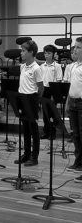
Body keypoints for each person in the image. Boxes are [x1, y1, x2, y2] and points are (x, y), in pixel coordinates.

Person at [14, 40, 43, 167]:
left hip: (31, 99)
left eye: (24, 51)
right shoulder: (22, 66)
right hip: (22, 98)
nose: (21, 53)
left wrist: (35, 100)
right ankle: (26, 153)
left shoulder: (36, 68)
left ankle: (34, 156)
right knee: (25, 128)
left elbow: (41, 87)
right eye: (21, 50)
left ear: (31, 52)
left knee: (33, 129)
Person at [66, 37, 82, 182]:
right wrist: (67, 102)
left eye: (78, 47)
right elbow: (71, 86)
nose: (74, 49)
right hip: (72, 103)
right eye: (75, 47)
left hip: (81, 104)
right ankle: (78, 162)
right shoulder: (74, 66)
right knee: (75, 135)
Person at [40, 45, 63, 140]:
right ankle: (46, 132)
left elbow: (59, 80)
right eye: (45, 53)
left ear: (53, 54)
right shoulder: (41, 66)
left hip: (53, 90)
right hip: (44, 90)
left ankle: (52, 133)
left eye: (49, 53)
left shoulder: (57, 66)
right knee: (45, 113)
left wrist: (55, 94)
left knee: (52, 113)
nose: (47, 55)